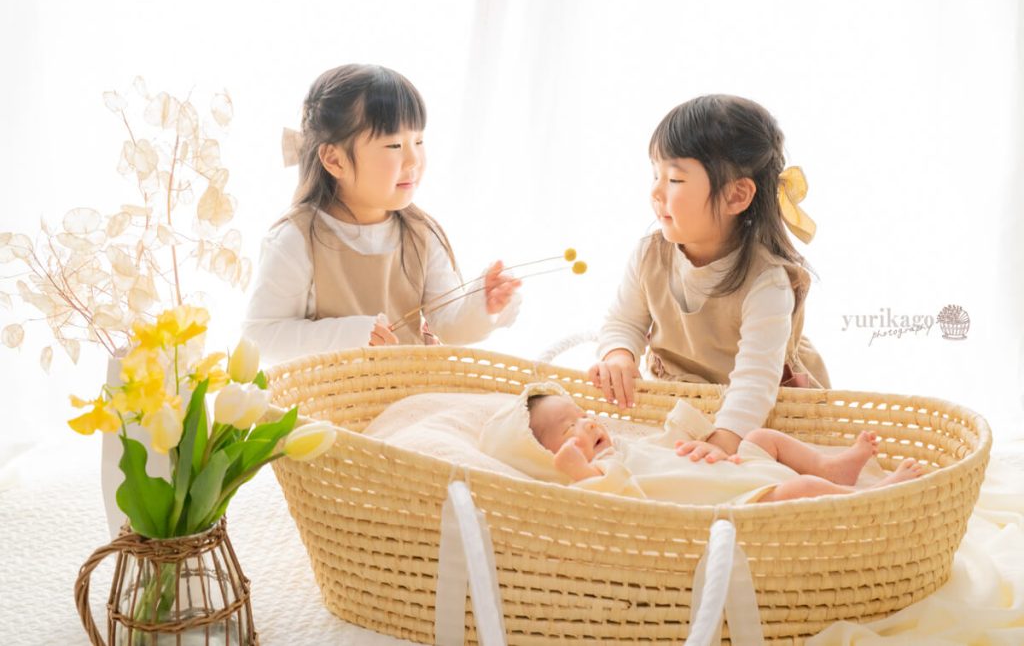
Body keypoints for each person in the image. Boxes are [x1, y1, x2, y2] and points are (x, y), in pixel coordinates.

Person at [588, 95, 830, 463]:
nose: (655, 192)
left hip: (764, 413)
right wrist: (619, 355)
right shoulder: (649, 255)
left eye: (674, 179)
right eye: (655, 175)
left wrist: (725, 439)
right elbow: (624, 321)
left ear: (736, 195)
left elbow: (755, 381)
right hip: (692, 405)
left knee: (779, 466)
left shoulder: (767, 281)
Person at [242, 64, 521, 364]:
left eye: (418, 141)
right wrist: (352, 336)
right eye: (394, 145)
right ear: (335, 160)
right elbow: (261, 339)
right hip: (330, 393)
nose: (413, 160)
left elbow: (448, 325)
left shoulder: (420, 234)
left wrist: (482, 305)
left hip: (411, 389)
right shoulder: (297, 239)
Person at [479, 382, 923, 505]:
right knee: (799, 490)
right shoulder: (599, 478)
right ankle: (863, 496)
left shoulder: (622, 447)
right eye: (569, 428)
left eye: (582, 413)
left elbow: (670, 442)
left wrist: (703, 439)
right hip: (740, 498)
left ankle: (831, 468)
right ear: (549, 458)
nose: (588, 421)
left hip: (733, 466)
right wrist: (577, 469)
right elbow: (616, 497)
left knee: (762, 438)